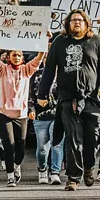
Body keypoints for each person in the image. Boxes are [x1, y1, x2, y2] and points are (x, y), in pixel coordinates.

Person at [37, 9, 100, 191]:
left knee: (92, 139)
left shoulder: (96, 42)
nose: (76, 22)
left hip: (92, 100)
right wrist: (42, 94)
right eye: (73, 20)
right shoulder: (59, 43)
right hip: (68, 100)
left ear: (87, 24)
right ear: (68, 24)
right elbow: (49, 70)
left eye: (80, 20)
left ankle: (89, 167)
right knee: (73, 139)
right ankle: (73, 177)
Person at [0, 46, 44, 186]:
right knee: (9, 145)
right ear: (8, 57)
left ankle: (16, 165)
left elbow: (39, 58)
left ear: (22, 58)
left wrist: (44, 41)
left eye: (19, 55)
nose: (16, 57)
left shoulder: (27, 70)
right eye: (14, 55)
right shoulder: (3, 70)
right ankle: (10, 175)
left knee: (20, 147)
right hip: (4, 113)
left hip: (21, 115)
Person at [29, 54, 64, 185]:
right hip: (41, 115)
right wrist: (31, 109)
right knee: (42, 148)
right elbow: (31, 94)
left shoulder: (63, 74)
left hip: (59, 115)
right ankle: (42, 169)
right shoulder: (37, 75)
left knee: (57, 145)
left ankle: (55, 172)